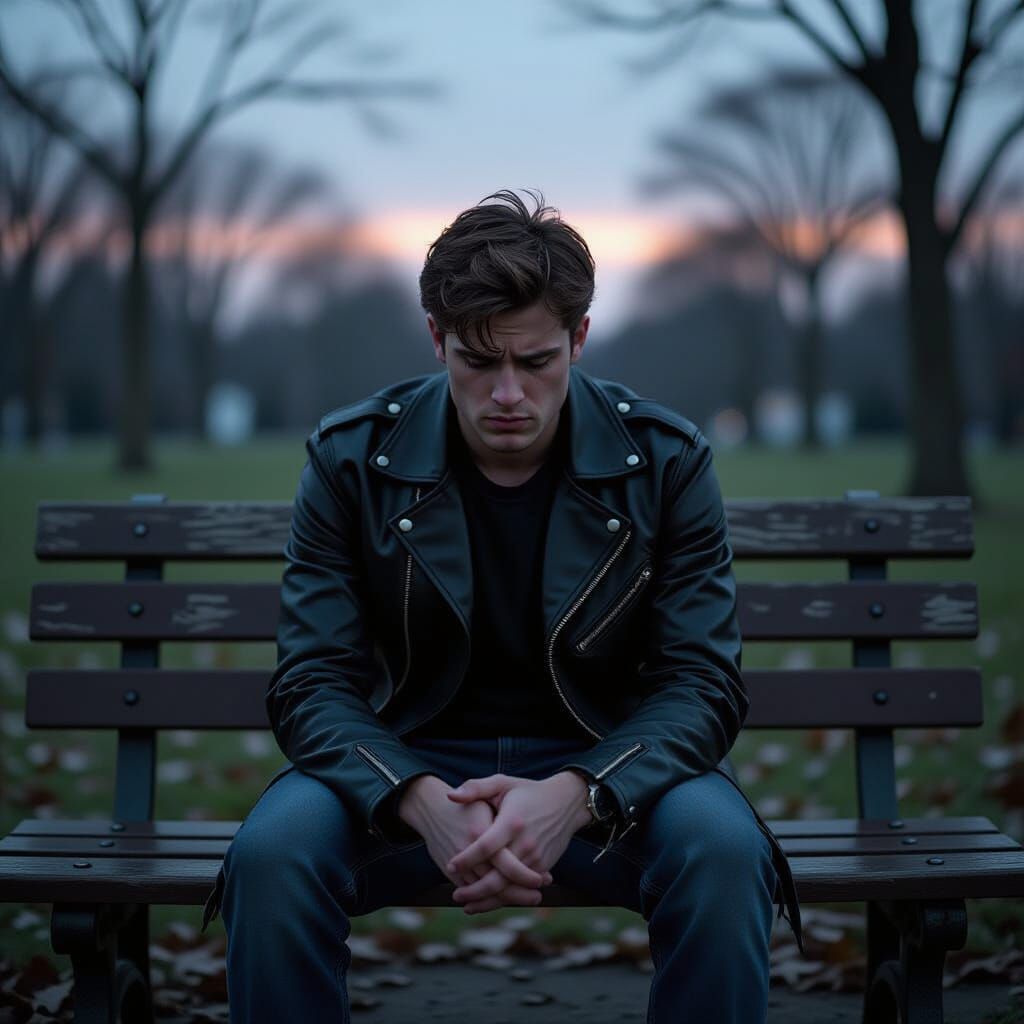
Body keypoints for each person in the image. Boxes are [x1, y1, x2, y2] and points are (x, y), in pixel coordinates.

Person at [205, 190, 802, 1023]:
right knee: (272, 855)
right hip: (399, 758)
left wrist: (579, 793)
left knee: (726, 851)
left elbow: (702, 684)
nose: (509, 393)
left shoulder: (665, 462)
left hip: (612, 759)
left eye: (538, 360)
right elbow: (311, 681)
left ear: (580, 340)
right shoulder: (352, 459)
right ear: (437, 340)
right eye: (479, 362)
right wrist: (415, 798)